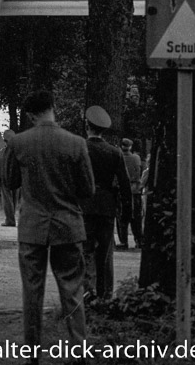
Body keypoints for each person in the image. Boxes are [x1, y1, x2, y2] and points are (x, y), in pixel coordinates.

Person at [5, 90, 94, 363]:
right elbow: (88, 188)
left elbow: (9, 181)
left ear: (31, 115)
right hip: (67, 226)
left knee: (32, 293)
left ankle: (32, 354)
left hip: (33, 228)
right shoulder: (76, 143)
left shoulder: (19, 143)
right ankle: (80, 350)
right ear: (53, 108)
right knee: (72, 290)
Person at [81, 106, 131, 302]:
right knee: (105, 250)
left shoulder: (80, 148)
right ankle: (105, 293)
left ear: (87, 126)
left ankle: (87, 291)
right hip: (107, 206)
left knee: (85, 249)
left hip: (84, 205)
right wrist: (127, 212)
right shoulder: (115, 152)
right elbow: (125, 184)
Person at [117, 138, 143, 249]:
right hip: (135, 190)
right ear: (130, 147)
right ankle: (138, 240)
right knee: (136, 217)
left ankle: (123, 241)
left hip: (122, 191)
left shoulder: (118, 157)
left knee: (121, 217)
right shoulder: (136, 158)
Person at [0, 129, 19, 227]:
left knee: (7, 200)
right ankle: (11, 218)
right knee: (14, 199)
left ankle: (10, 220)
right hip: (17, 179)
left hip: (6, 178)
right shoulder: (20, 150)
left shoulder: (4, 152)